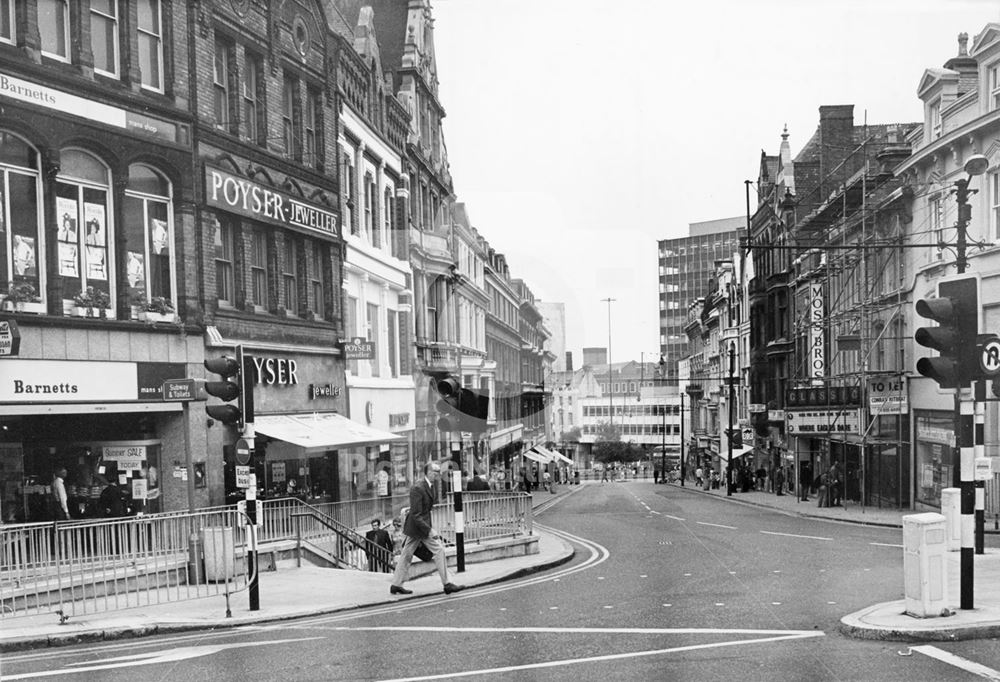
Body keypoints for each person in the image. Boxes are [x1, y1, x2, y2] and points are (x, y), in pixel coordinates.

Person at [389, 462, 465, 596]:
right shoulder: (417, 488)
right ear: (428, 472)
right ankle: (447, 584)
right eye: (435, 472)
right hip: (418, 527)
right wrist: (429, 530)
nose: (437, 474)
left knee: (406, 555)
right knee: (439, 550)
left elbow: (425, 512)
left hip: (418, 528)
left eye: (438, 472)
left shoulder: (431, 486)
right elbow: (416, 514)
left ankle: (396, 585)